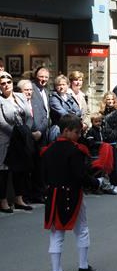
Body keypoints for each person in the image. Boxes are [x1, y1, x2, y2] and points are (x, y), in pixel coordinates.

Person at [41, 114, 103, 271]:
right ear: (66, 131)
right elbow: (79, 175)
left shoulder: (48, 150)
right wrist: (96, 182)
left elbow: (43, 176)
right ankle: (83, 268)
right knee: (82, 229)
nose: (79, 136)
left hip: (53, 196)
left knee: (56, 233)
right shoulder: (75, 151)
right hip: (72, 195)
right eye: (76, 132)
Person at [0, 72, 36, 212]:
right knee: (3, 171)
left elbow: (29, 115)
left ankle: (18, 199)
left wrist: (26, 130)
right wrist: (16, 134)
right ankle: (3, 201)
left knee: (19, 170)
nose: (6, 85)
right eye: (2, 83)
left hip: (21, 138)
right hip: (6, 139)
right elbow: (1, 122)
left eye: (8, 82)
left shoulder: (20, 96)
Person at [29, 66, 51, 203]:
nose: (43, 79)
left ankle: (40, 192)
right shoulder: (31, 89)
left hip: (43, 133)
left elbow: (46, 113)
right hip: (34, 133)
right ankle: (34, 194)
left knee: (41, 165)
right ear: (36, 76)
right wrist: (35, 131)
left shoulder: (46, 91)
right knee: (34, 166)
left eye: (46, 77)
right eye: (41, 76)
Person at [99, 92, 117, 191]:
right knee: (109, 165)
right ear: (105, 101)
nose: (110, 101)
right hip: (106, 142)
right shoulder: (103, 112)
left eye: (112, 99)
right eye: (108, 99)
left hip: (116, 142)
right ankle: (111, 184)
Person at [49, 75, 82, 141]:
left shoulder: (69, 96)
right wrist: (72, 113)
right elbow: (63, 114)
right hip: (58, 129)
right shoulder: (53, 98)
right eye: (59, 85)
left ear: (67, 85)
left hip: (71, 129)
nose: (61, 87)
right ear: (55, 86)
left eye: (63, 84)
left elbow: (78, 111)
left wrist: (72, 113)